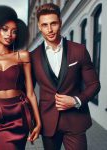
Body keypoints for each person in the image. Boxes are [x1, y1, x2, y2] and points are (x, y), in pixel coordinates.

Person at [30, 3, 100, 150]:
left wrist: (76, 100)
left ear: (60, 23)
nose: (49, 29)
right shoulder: (33, 57)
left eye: (53, 23)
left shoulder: (79, 50)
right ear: (39, 26)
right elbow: (27, 92)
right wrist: (33, 121)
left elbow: (94, 84)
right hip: (47, 122)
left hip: (75, 121)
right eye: (45, 25)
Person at [0, 5, 41, 150]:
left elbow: (30, 92)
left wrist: (38, 122)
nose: (9, 35)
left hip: (20, 114)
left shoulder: (22, 56)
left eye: (14, 31)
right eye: (4, 29)